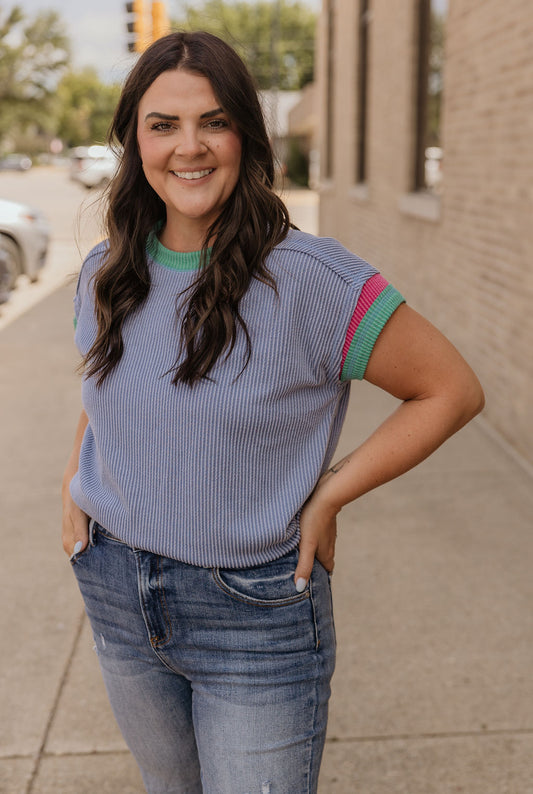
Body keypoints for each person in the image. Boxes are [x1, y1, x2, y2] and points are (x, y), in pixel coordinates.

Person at [62, 31, 484, 794]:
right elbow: (104, 394)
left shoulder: (308, 278)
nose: (189, 147)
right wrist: (74, 492)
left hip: (254, 616)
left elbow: (449, 389)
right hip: (118, 589)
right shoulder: (104, 271)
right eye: (163, 125)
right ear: (134, 141)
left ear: (245, 137)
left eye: (213, 122)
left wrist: (329, 491)